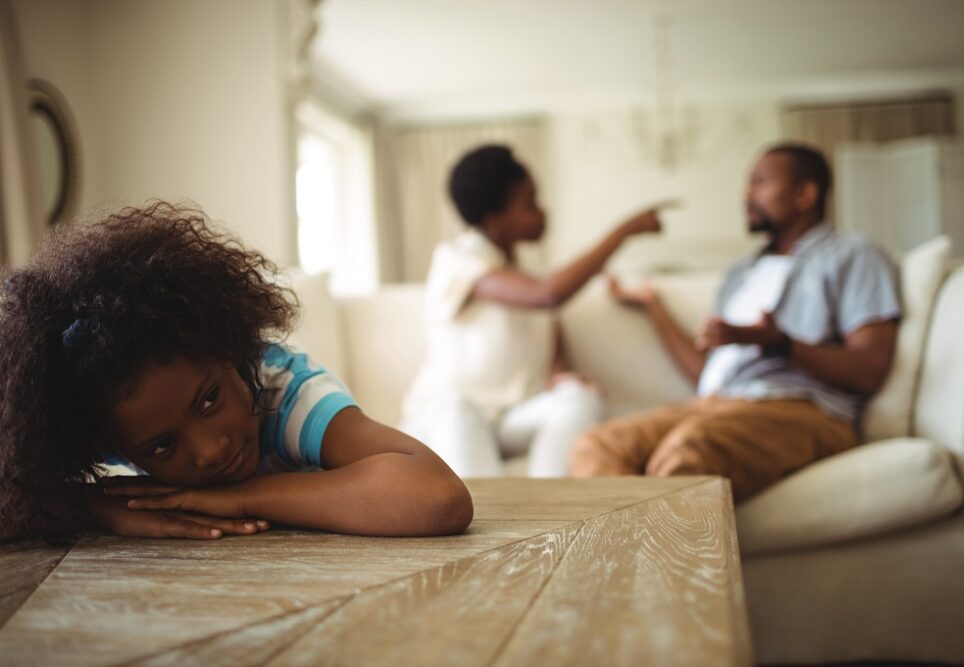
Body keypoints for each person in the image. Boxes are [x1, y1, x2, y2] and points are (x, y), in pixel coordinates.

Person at [0, 201, 473, 542]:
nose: (209, 451)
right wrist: (98, 510)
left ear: (234, 349)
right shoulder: (101, 414)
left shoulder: (283, 394)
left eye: (209, 400)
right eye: (162, 446)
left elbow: (438, 496)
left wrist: (245, 496)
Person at [572, 143, 902, 502]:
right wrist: (653, 305)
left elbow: (870, 368)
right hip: (716, 403)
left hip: (802, 409)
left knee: (690, 451)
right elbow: (705, 374)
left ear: (805, 193)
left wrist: (780, 343)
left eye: (760, 182)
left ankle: (646, 554)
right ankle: (627, 557)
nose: (746, 194)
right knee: (597, 445)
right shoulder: (742, 273)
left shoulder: (853, 255)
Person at [400, 144, 661, 477]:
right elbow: (547, 295)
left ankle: (547, 513)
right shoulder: (457, 260)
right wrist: (624, 232)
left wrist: (564, 374)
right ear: (493, 219)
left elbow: (550, 344)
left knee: (580, 397)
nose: (543, 212)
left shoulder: (525, 275)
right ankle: (494, 518)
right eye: (529, 204)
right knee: (457, 408)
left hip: (512, 418)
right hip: (452, 414)